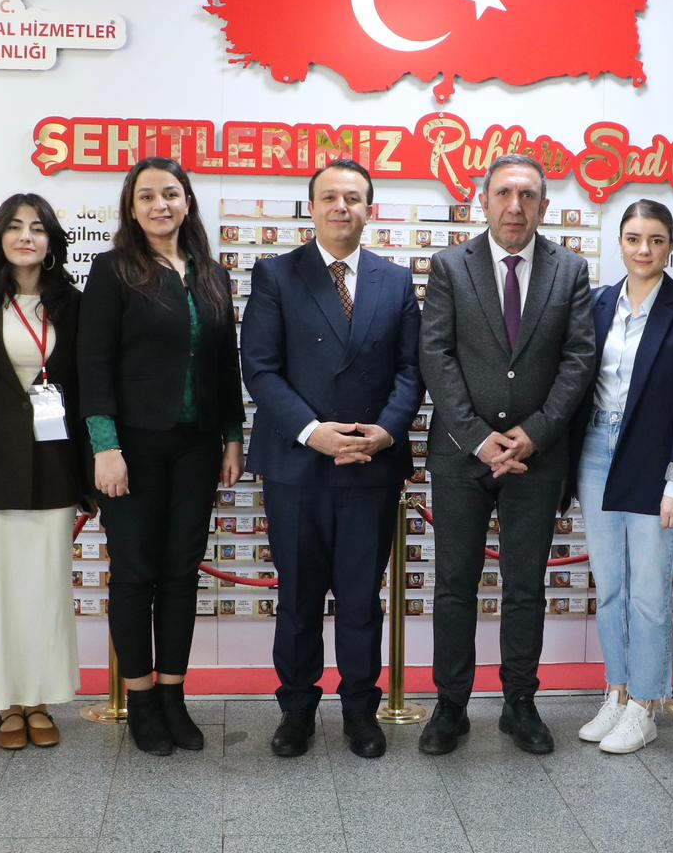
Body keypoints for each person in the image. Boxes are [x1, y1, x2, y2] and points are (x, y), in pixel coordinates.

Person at [239, 159, 424, 759]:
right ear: (312, 208)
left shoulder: (395, 280)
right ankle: (296, 710)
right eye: (329, 198)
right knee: (297, 598)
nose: (341, 207)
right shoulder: (276, 274)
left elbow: (411, 369)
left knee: (361, 599)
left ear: (370, 209)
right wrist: (312, 431)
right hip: (298, 466)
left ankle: (360, 712)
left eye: (353, 198)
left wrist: (387, 432)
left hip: (371, 465)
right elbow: (260, 369)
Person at [417, 153, 595, 756]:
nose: (514, 206)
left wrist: (535, 432)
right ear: (483, 200)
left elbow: (578, 359)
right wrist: (477, 436)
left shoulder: (570, 269)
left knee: (524, 587)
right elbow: (436, 355)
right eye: (503, 194)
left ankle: (520, 702)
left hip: (536, 457)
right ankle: (451, 705)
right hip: (461, 456)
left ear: (543, 205)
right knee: (454, 585)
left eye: (527, 195)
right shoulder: (450, 266)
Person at [79, 156, 244, 756]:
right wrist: (105, 447)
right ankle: (142, 700)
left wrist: (232, 435)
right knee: (135, 573)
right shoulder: (113, 270)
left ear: (187, 202)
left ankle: (174, 695)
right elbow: (93, 363)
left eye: (170, 194)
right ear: (131, 206)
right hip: (132, 446)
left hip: (197, 445)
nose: (159, 205)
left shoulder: (211, 274)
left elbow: (225, 364)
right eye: (146, 195)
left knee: (181, 572)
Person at [571, 199, 673, 754]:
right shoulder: (597, 303)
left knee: (650, 591)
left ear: (671, 245)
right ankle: (618, 690)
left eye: (656, 240)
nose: (644, 250)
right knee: (610, 587)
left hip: (654, 462)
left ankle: (646, 705)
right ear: (620, 243)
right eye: (633, 239)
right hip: (595, 452)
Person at [0, 194, 87, 749]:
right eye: (14, 227)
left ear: (51, 241)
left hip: (54, 464)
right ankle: (6, 704)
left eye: (37, 228)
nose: (25, 237)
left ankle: (40, 699)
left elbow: (87, 385)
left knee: (45, 588)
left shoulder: (73, 305)